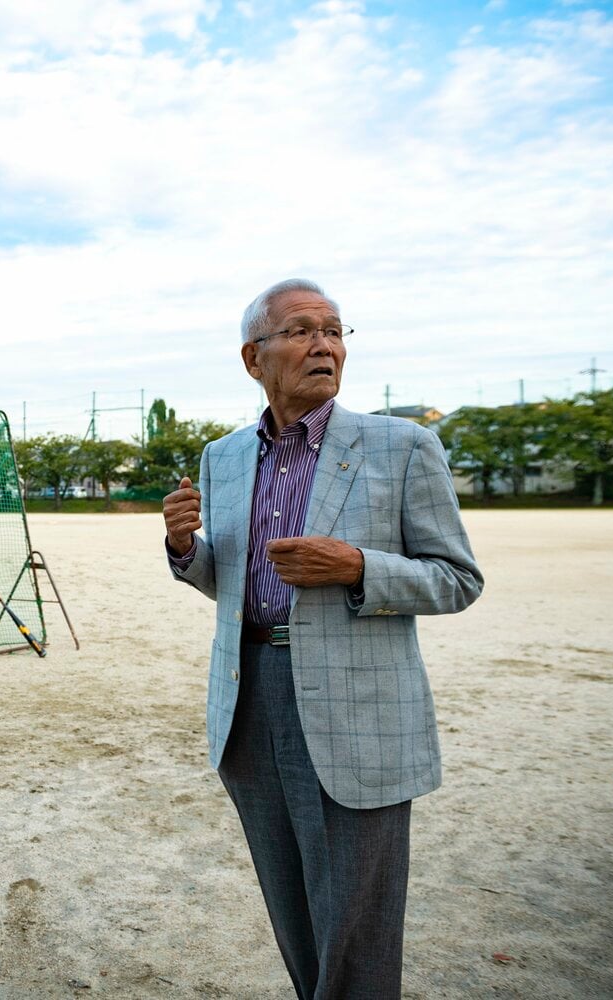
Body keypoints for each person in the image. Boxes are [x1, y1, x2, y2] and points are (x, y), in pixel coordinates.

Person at [162, 278, 482, 999]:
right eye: (302, 330)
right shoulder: (225, 457)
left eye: (335, 331)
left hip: (356, 711)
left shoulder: (402, 445)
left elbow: (457, 579)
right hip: (249, 702)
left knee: (357, 924)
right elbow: (232, 584)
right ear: (254, 357)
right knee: (294, 908)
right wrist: (186, 547)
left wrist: (358, 567)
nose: (325, 345)